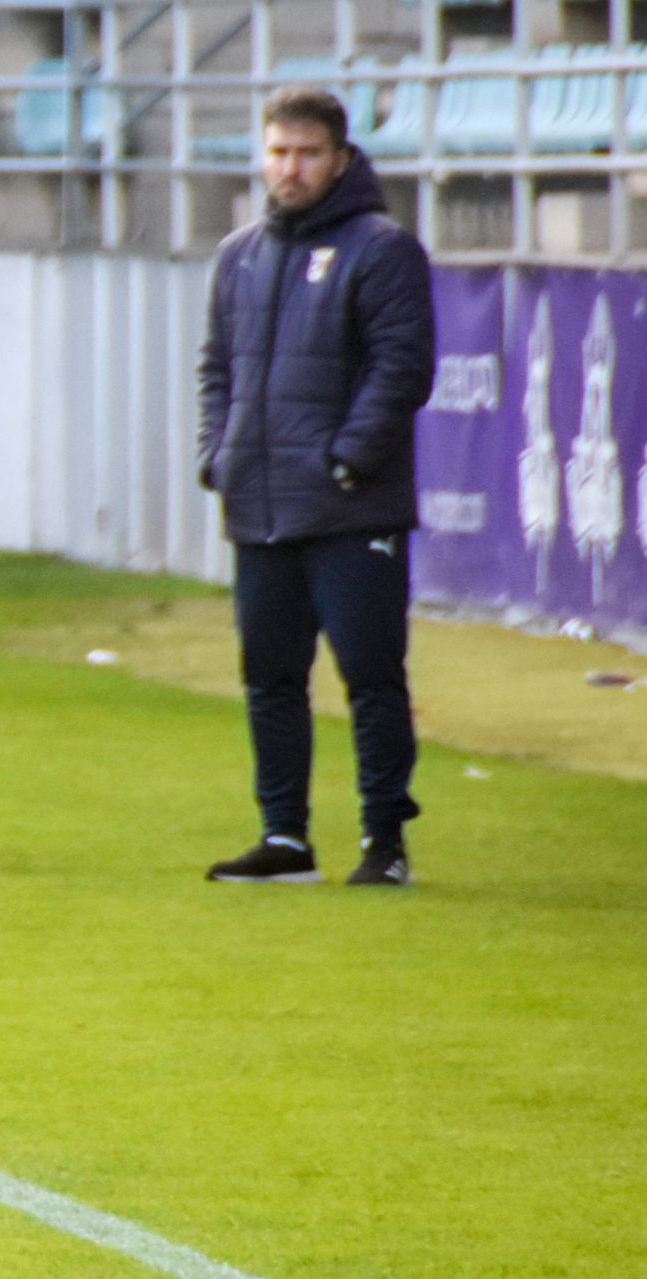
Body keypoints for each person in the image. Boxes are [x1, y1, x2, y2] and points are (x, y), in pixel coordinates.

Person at [195, 87, 435, 887]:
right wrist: (216, 454)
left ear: (339, 159)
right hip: (259, 503)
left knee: (368, 675)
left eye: (304, 154)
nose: (288, 169)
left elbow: (402, 367)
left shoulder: (381, 248)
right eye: (276, 152)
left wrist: (348, 460)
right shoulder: (240, 255)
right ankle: (286, 839)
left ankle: (384, 842)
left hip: (348, 505)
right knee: (268, 675)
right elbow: (216, 371)